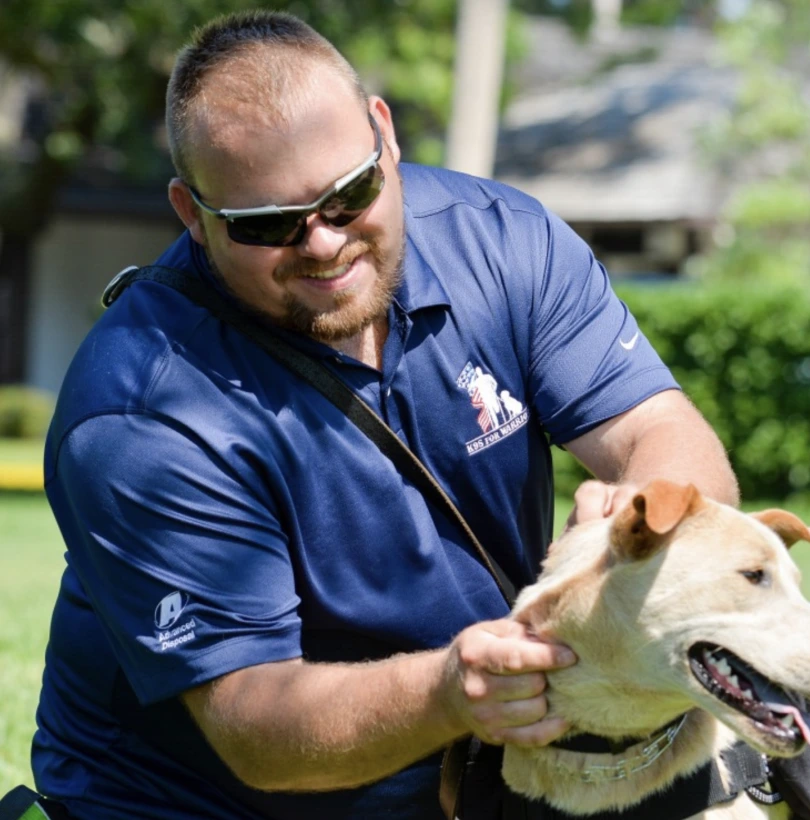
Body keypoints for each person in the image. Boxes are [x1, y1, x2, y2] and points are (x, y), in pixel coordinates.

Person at [31, 10, 738, 820]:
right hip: (203, 804)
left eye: (349, 195)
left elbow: (666, 433)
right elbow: (255, 730)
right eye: (266, 225)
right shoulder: (142, 415)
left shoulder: (503, 243)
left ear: (384, 135)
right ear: (193, 215)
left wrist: (643, 515)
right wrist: (451, 690)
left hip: (472, 767)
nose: (323, 244)